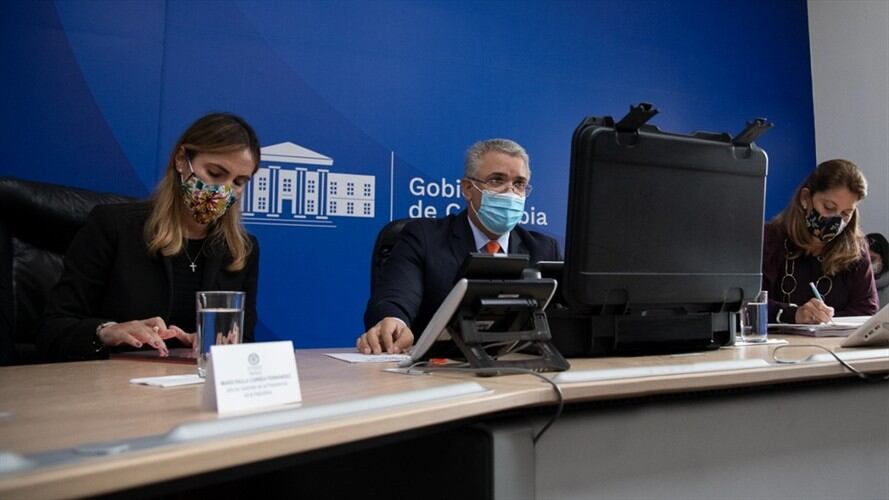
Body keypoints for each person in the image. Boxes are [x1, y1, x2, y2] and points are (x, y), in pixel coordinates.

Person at [38, 113, 261, 361]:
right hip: (115, 388)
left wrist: (217, 347)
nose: (225, 191)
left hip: (194, 389)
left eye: (239, 182)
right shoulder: (114, 227)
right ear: (181, 160)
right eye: (215, 173)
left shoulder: (241, 250)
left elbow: (244, 343)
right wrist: (108, 331)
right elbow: (53, 330)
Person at [358, 138, 561, 354]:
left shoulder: (544, 249)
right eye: (497, 180)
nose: (510, 192)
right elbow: (396, 296)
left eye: (519, 184)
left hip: (518, 369)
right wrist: (393, 320)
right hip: (436, 371)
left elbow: (560, 323)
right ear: (467, 189)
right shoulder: (423, 238)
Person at [762, 159, 878, 324]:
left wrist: (824, 322)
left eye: (846, 213)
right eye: (829, 208)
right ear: (805, 199)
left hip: (836, 347)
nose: (836, 221)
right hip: (778, 347)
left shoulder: (856, 249)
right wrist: (795, 315)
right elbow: (749, 304)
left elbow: (867, 309)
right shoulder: (769, 239)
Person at [866, 232, 889, 307]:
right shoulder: (856, 284)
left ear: (884, 257)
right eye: (864, 260)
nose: (868, 264)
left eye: (872, 259)